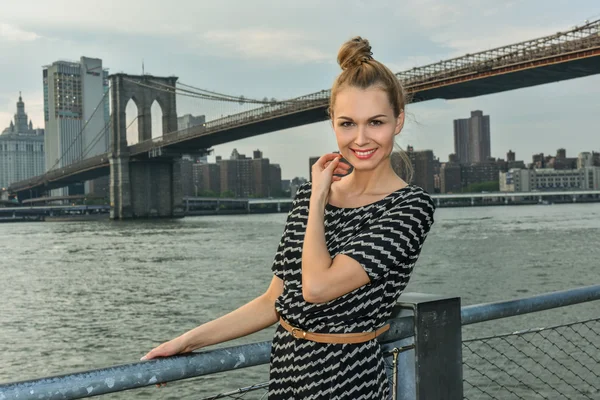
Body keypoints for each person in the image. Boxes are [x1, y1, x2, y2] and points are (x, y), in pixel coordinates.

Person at [141, 36, 436, 399]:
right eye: (347, 124)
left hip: (348, 382)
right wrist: (186, 341)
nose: (360, 138)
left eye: (375, 122)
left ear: (398, 120)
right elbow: (273, 302)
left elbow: (316, 288)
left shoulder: (409, 207)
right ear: (332, 122)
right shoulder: (308, 196)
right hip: (286, 376)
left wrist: (317, 202)